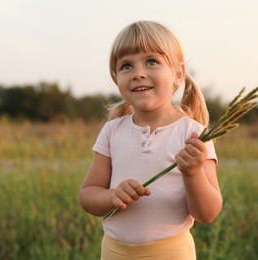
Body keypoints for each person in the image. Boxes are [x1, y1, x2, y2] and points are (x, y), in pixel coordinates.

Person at [79, 20, 222, 259]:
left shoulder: (194, 135)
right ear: (117, 79)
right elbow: (88, 194)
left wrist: (193, 172)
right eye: (126, 66)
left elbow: (207, 213)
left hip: (171, 252)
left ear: (178, 74)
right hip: (115, 251)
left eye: (151, 61)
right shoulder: (112, 131)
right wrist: (112, 195)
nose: (138, 73)